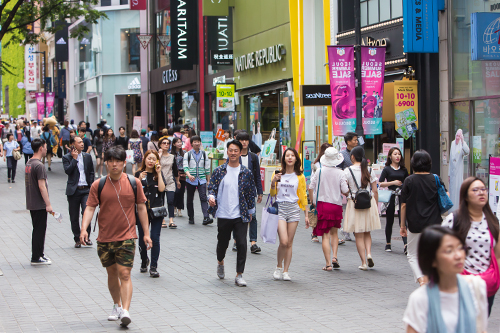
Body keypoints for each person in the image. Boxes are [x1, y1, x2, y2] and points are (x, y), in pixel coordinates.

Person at [80, 146, 152, 327]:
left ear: (124, 163)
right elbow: (90, 207)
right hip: (104, 237)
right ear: (105, 163)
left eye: (118, 161)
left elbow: (142, 208)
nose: (114, 164)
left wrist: (146, 233)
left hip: (127, 236)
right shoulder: (99, 184)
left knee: (125, 273)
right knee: (112, 273)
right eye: (111, 161)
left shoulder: (134, 183)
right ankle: (117, 305)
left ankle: (126, 311)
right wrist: (84, 229)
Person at [403, 226, 488, 333]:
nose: (458, 255)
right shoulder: (420, 299)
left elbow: (481, 329)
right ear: (432, 259)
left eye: (460, 248)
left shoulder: (476, 287)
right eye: (449, 251)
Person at [442, 177, 500, 315]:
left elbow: (497, 255)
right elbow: (440, 248)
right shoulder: (454, 220)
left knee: (480, 323)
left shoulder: (493, 222)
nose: (481, 193)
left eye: (483, 189)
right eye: (475, 190)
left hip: (486, 285)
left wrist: (496, 279)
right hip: (461, 282)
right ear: (466, 196)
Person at [208, 140, 256, 287]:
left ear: (240, 152)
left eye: (236, 150)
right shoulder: (219, 171)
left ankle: (239, 274)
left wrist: (250, 211)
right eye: (231, 150)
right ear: (227, 152)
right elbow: (212, 188)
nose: (233, 153)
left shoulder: (246, 172)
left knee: (242, 243)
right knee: (222, 243)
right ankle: (220, 261)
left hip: (240, 214)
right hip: (223, 213)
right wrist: (211, 197)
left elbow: (250, 193)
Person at [400, 150, 447, 286]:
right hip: (435, 223)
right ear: (429, 163)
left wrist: (403, 226)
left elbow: (403, 205)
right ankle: (431, 279)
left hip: (415, 223)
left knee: (412, 254)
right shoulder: (435, 178)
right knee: (433, 253)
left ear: (413, 163)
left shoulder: (409, 180)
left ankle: (421, 279)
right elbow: (445, 194)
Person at [270, 148, 309, 281]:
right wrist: (273, 181)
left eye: (293, 155)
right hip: (280, 208)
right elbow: (272, 194)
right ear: (284, 158)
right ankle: (278, 266)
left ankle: (286, 271)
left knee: (290, 243)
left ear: (296, 159)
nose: (290, 158)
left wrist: (307, 215)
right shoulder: (278, 174)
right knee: (283, 241)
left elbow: (303, 196)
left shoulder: (300, 176)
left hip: (294, 208)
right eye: (288, 155)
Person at [309, 147, 349, 271]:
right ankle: (335, 257)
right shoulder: (341, 173)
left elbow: (311, 187)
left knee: (325, 235)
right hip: (336, 206)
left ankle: (327, 264)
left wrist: (312, 201)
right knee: (334, 233)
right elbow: (345, 191)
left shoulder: (319, 171)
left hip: (322, 204)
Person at [343, 146, 381, 270]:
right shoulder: (369, 170)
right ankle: (369, 253)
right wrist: (375, 206)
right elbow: (375, 190)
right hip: (369, 203)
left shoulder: (347, 171)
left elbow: (344, 189)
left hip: (354, 203)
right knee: (367, 232)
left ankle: (364, 262)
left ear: (352, 157)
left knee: (358, 234)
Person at [228, 132, 263, 253]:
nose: (244, 142)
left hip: (250, 191)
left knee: (252, 216)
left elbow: (257, 175)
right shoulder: (233, 157)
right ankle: (236, 241)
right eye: (241, 140)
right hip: (235, 191)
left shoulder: (253, 157)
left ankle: (253, 242)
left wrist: (260, 191)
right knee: (236, 216)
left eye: (246, 140)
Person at [135, 150, 166, 277]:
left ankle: (153, 266)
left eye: (154, 159)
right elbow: (133, 191)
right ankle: (144, 261)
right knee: (142, 238)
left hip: (156, 211)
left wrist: (158, 174)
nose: (151, 161)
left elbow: (162, 189)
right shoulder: (138, 173)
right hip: (142, 211)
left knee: (155, 238)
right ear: (145, 159)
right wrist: (138, 179)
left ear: (157, 161)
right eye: (149, 158)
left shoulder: (158, 174)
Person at [63, 136, 95, 248]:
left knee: (86, 212)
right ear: (73, 144)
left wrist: (91, 185)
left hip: (86, 190)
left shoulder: (87, 156)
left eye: (82, 142)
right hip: (73, 191)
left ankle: (86, 237)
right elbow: (68, 171)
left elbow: (91, 172)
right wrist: (74, 159)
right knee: (74, 217)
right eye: (79, 142)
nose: (82, 144)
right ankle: (77, 238)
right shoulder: (67, 157)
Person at [25, 138, 53, 265]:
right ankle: (36, 257)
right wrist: (48, 204)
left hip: (32, 202)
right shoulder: (39, 165)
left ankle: (39, 254)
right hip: (39, 203)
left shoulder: (29, 163)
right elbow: (42, 186)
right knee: (40, 230)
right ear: (41, 148)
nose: (46, 149)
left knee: (37, 229)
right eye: (45, 147)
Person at [379, 147, 409, 253]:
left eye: (399, 154)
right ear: (390, 156)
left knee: (403, 220)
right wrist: (393, 183)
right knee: (390, 220)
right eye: (395, 154)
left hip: (402, 196)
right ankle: (388, 243)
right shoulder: (387, 169)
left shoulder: (404, 169)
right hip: (391, 196)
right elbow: (380, 183)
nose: (397, 156)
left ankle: (406, 244)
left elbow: (407, 182)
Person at [183, 135, 213, 225]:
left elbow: (207, 168)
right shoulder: (187, 154)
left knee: (203, 198)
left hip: (202, 179)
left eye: (198, 141)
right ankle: (191, 217)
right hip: (190, 180)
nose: (197, 143)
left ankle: (206, 217)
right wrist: (189, 175)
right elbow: (185, 167)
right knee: (189, 199)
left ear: (200, 143)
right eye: (194, 142)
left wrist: (208, 181)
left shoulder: (204, 154)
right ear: (191, 143)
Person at [338, 132, 358, 242]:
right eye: (354, 140)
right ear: (348, 142)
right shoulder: (342, 155)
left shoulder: (359, 152)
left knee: (354, 208)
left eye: (356, 140)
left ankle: (349, 229)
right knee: (351, 207)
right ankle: (348, 229)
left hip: (358, 185)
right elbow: (339, 170)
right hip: (349, 186)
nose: (356, 142)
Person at [310, 143, 333, 243]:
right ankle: (314, 233)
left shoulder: (334, 164)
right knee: (316, 213)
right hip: (318, 192)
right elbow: (312, 180)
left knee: (328, 214)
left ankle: (331, 234)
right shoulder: (317, 164)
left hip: (330, 193)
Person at [158, 136, 180, 228]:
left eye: (168, 143)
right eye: (164, 143)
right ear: (160, 145)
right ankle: (162, 220)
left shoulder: (172, 157)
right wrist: (158, 156)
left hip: (170, 181)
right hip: (160, 181)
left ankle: (171, 220)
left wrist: (178, 181)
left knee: (170, 201)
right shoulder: (157, 156)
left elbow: (175, 170)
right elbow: (155, 166)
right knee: (161, 201)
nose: (166, 145)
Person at [449, 129, 470, 210]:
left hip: (458, 172)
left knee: (458, 191)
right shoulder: (452, 143)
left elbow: (467, 151)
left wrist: (462, 141)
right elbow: (450, 160)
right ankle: (451, 210)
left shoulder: (462, 145)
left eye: (459, 136)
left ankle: (458, 209)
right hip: (452, 172)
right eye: (457, 136)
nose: (457, 138)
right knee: (452, 192)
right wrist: (448, 174)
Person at [172, 137, 186, 217]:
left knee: (181, 192)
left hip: (182, 174)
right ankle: (174, 207)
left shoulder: (184, 153)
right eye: (177, 142)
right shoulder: (171, 154)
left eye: (180, 142)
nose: (179, 143)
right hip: (174, 174)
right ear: (174, 144)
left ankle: (180, 209)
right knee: (175, 191)